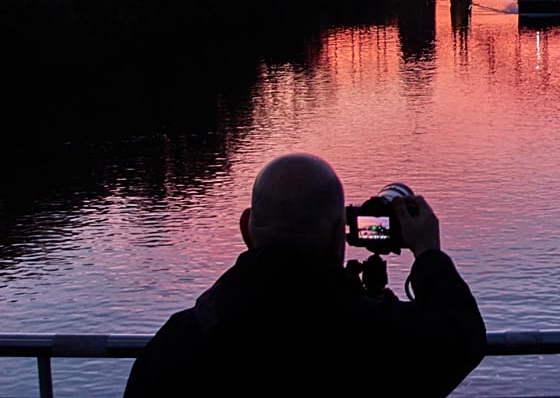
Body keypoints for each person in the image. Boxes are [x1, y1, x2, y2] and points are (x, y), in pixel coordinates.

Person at [124, 153, 486, 397]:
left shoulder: (178, 341)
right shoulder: (373, 341)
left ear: (247, 228)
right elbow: (463, 335)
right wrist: (428, 254)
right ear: (336, 235)